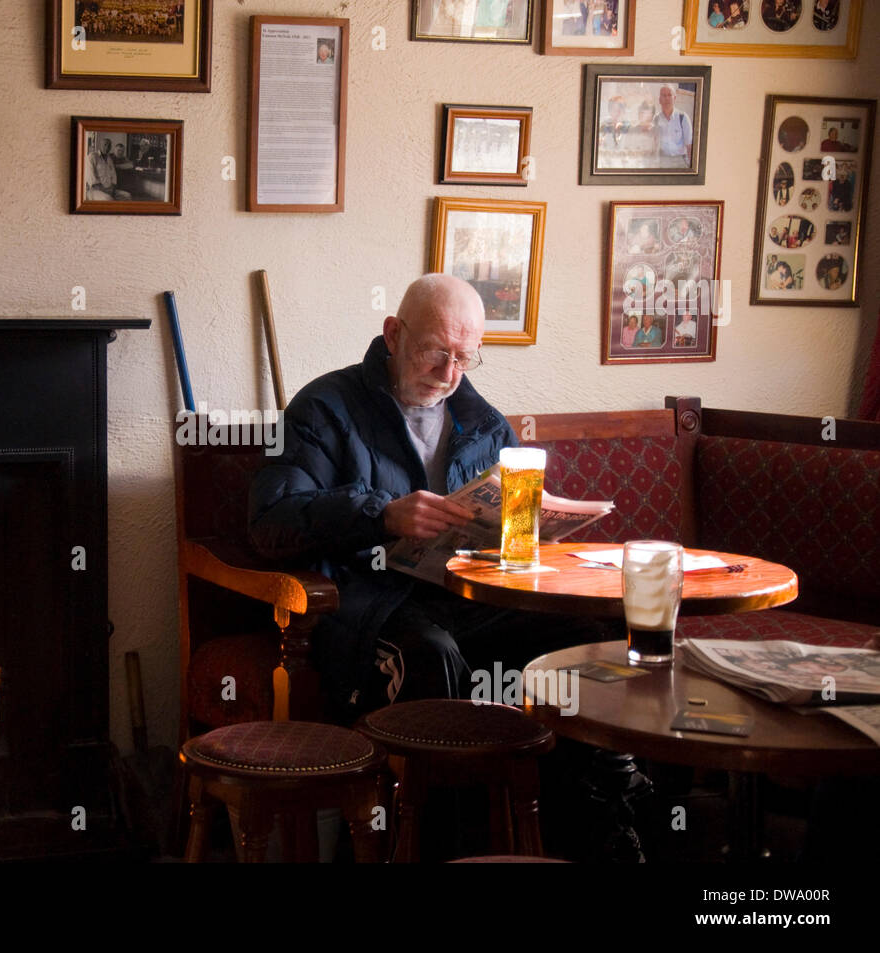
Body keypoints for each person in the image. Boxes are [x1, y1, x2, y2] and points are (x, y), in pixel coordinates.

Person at [249, 275, 611, 721]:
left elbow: (515, 537)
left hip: (467, 599)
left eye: (463, 357)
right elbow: (269, 522)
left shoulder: (484, 424)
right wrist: (381, 516)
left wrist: (534, 531)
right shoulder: (324, 409)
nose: (448, 374)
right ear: (393, 334)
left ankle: (596, 788)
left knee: (599, 633)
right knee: (431, 653)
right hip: (368, 606)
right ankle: (437, 793)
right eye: (435, 352)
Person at [654, 84, 692, 168]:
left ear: (674, 98)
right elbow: (654, 144)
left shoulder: (683, 118)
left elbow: (689, 146)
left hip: (680, 161)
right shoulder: (656, 119)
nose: (667, 98)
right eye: (664, 95)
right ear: (659, 100)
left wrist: (691, 168)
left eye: (669, 95)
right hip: (663, 161)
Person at [85, 136, 131, 200]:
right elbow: (91, 177)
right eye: (105, 145)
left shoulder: (109, 158)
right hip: (96, 189)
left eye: (109, 145)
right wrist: (103, 189)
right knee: (108, 199)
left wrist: (113, 186)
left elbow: (113, 174)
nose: (107, 147)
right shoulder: (92, 156)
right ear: (100, 145)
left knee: (127, 196)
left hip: (110, 189)